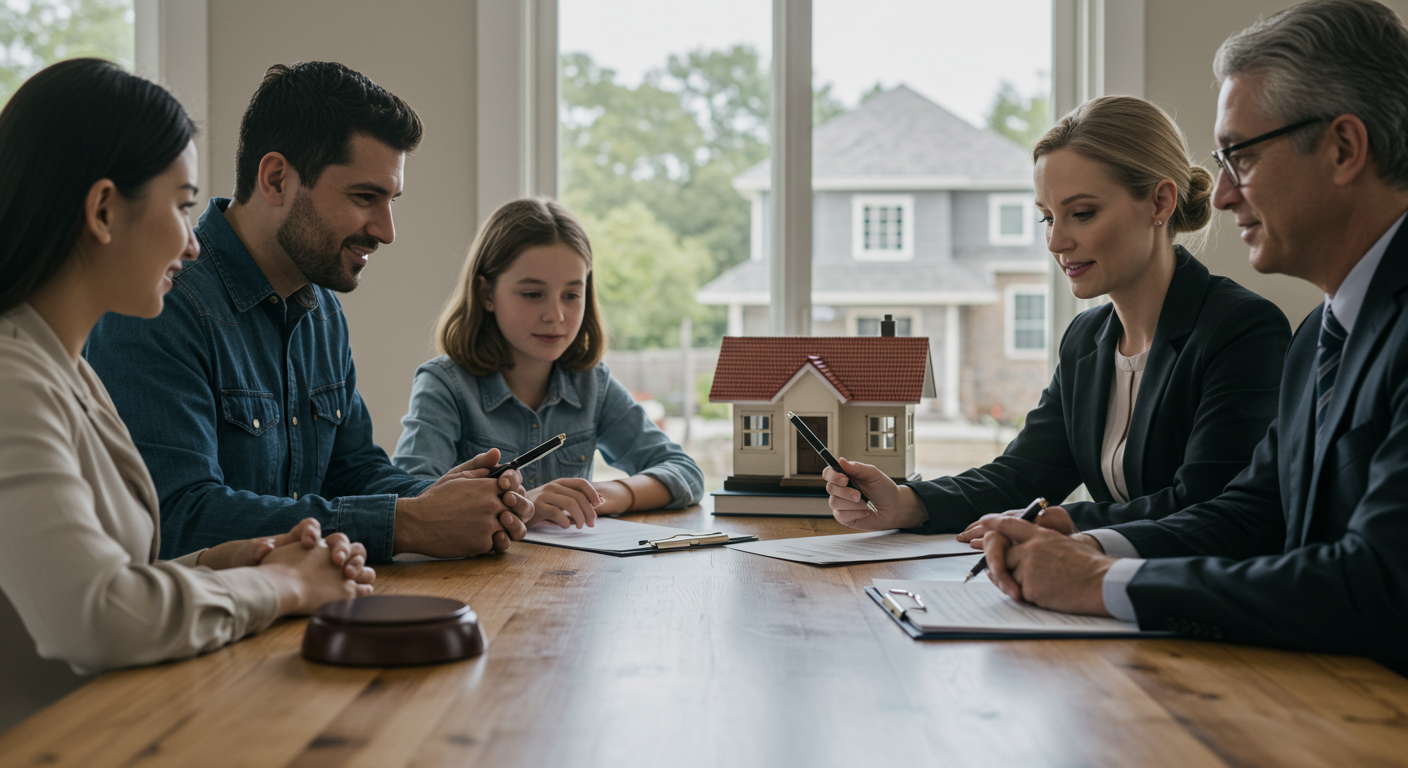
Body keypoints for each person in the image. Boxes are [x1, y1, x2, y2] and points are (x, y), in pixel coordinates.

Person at [970, 0, 1408, 675]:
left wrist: (1098, 583)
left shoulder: (1274, 328)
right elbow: (1248, 514)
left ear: (1344, 148)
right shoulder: (1323, 331)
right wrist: (1095, 548)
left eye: (1242, 157)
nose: (1225, 194)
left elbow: (1379, 583)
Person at [0, 59, 377, 731]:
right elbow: (95, 616)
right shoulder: (11, 382)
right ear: (105, 210)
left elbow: (121, 569)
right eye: (179, 206)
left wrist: (225, 561)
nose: (193, 244)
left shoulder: (66, 370)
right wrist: (280, 584)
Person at [85, 62, 534, 562]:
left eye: (391, 200)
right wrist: (407, 523)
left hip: (301, 607)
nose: (386, 231)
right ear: (276, 179)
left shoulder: (321, 309)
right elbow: (176, 518)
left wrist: (437, 500)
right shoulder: (158, 304)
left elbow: (354, 468)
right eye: (365, 196)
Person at [825, 96, 1291, 539]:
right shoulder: (1086, 339)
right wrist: (906, 503)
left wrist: (1057, 522)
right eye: (1048, 218)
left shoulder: (1242, 330)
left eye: (1082, 214)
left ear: (1160, 202)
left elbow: (1207, 506)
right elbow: (1025, 474)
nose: (1056, 242)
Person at [392, 198, 704, 528]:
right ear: (486, 294)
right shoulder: (445, 385)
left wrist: (612, 493)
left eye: (571, 295)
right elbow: (412, 501)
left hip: (565, 575)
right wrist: (521, 504)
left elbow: (684, 471)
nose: (555, 315)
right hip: (470, 578)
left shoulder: (591, 384)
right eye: (532, 294)